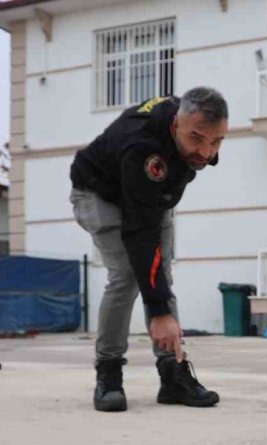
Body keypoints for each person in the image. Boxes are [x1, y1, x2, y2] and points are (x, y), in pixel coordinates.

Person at [69, 87, 227, 412]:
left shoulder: (193, 136)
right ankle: (108, 372)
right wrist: (158, 311)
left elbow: (149, 229)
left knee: (160, 273)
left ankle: (172, 375)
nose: (206, 152)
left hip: (152, 196)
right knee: (127, 275)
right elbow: (140, 231)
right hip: (98, 192)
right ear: (176, 124)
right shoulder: (143, 148)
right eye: (197, 139)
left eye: (216, 142)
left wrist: (159, 300)